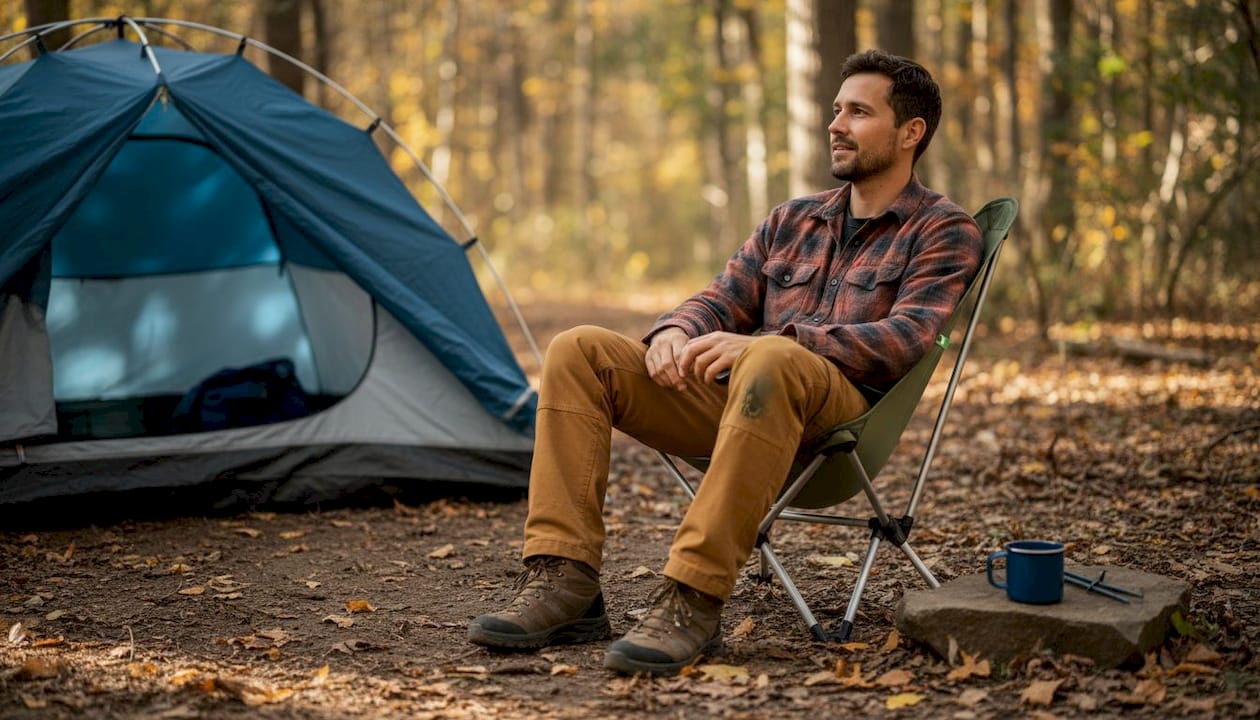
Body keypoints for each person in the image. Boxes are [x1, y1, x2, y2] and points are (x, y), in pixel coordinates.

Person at [468, 49, 984, 676]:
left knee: (772, 354)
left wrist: (779, 344)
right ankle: (565, 580)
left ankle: (693, 596)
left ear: (911, 133)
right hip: (742, 405)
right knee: (579, 349)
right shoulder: (794, 219)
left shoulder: (943, 229)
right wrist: (675, 332)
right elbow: (720, 298)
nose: (837, 124)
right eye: (835, 109)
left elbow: (906, 338)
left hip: (839, 422)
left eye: (858, 111)